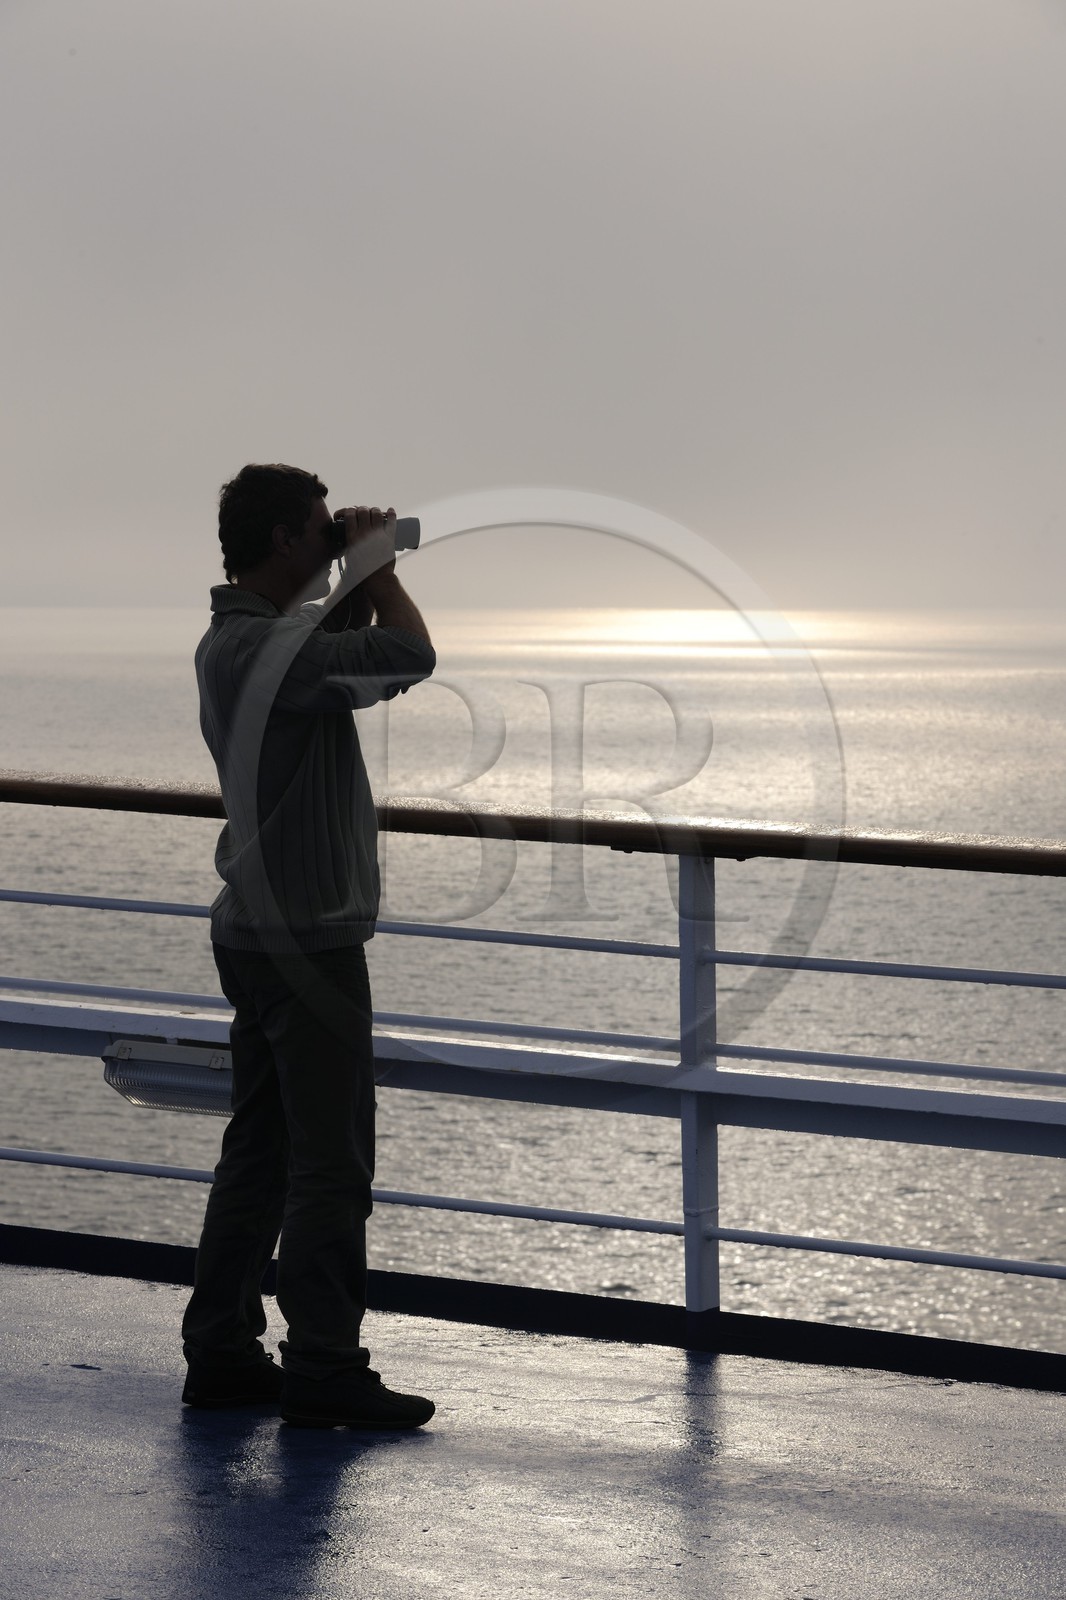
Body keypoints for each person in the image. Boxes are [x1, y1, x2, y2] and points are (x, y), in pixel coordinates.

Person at [180, 462, 437, 1429]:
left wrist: (340, 574)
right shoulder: (261, 653)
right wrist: (373, 574)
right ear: (288, 538)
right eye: (320, 530)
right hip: (308, 945)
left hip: (254, 934)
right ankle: (324, 1364)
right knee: (331, 1164)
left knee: (260, 1149)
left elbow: (316, 647)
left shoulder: (241, 641)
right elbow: (409, 655)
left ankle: (223, 1350)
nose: (329, 541)